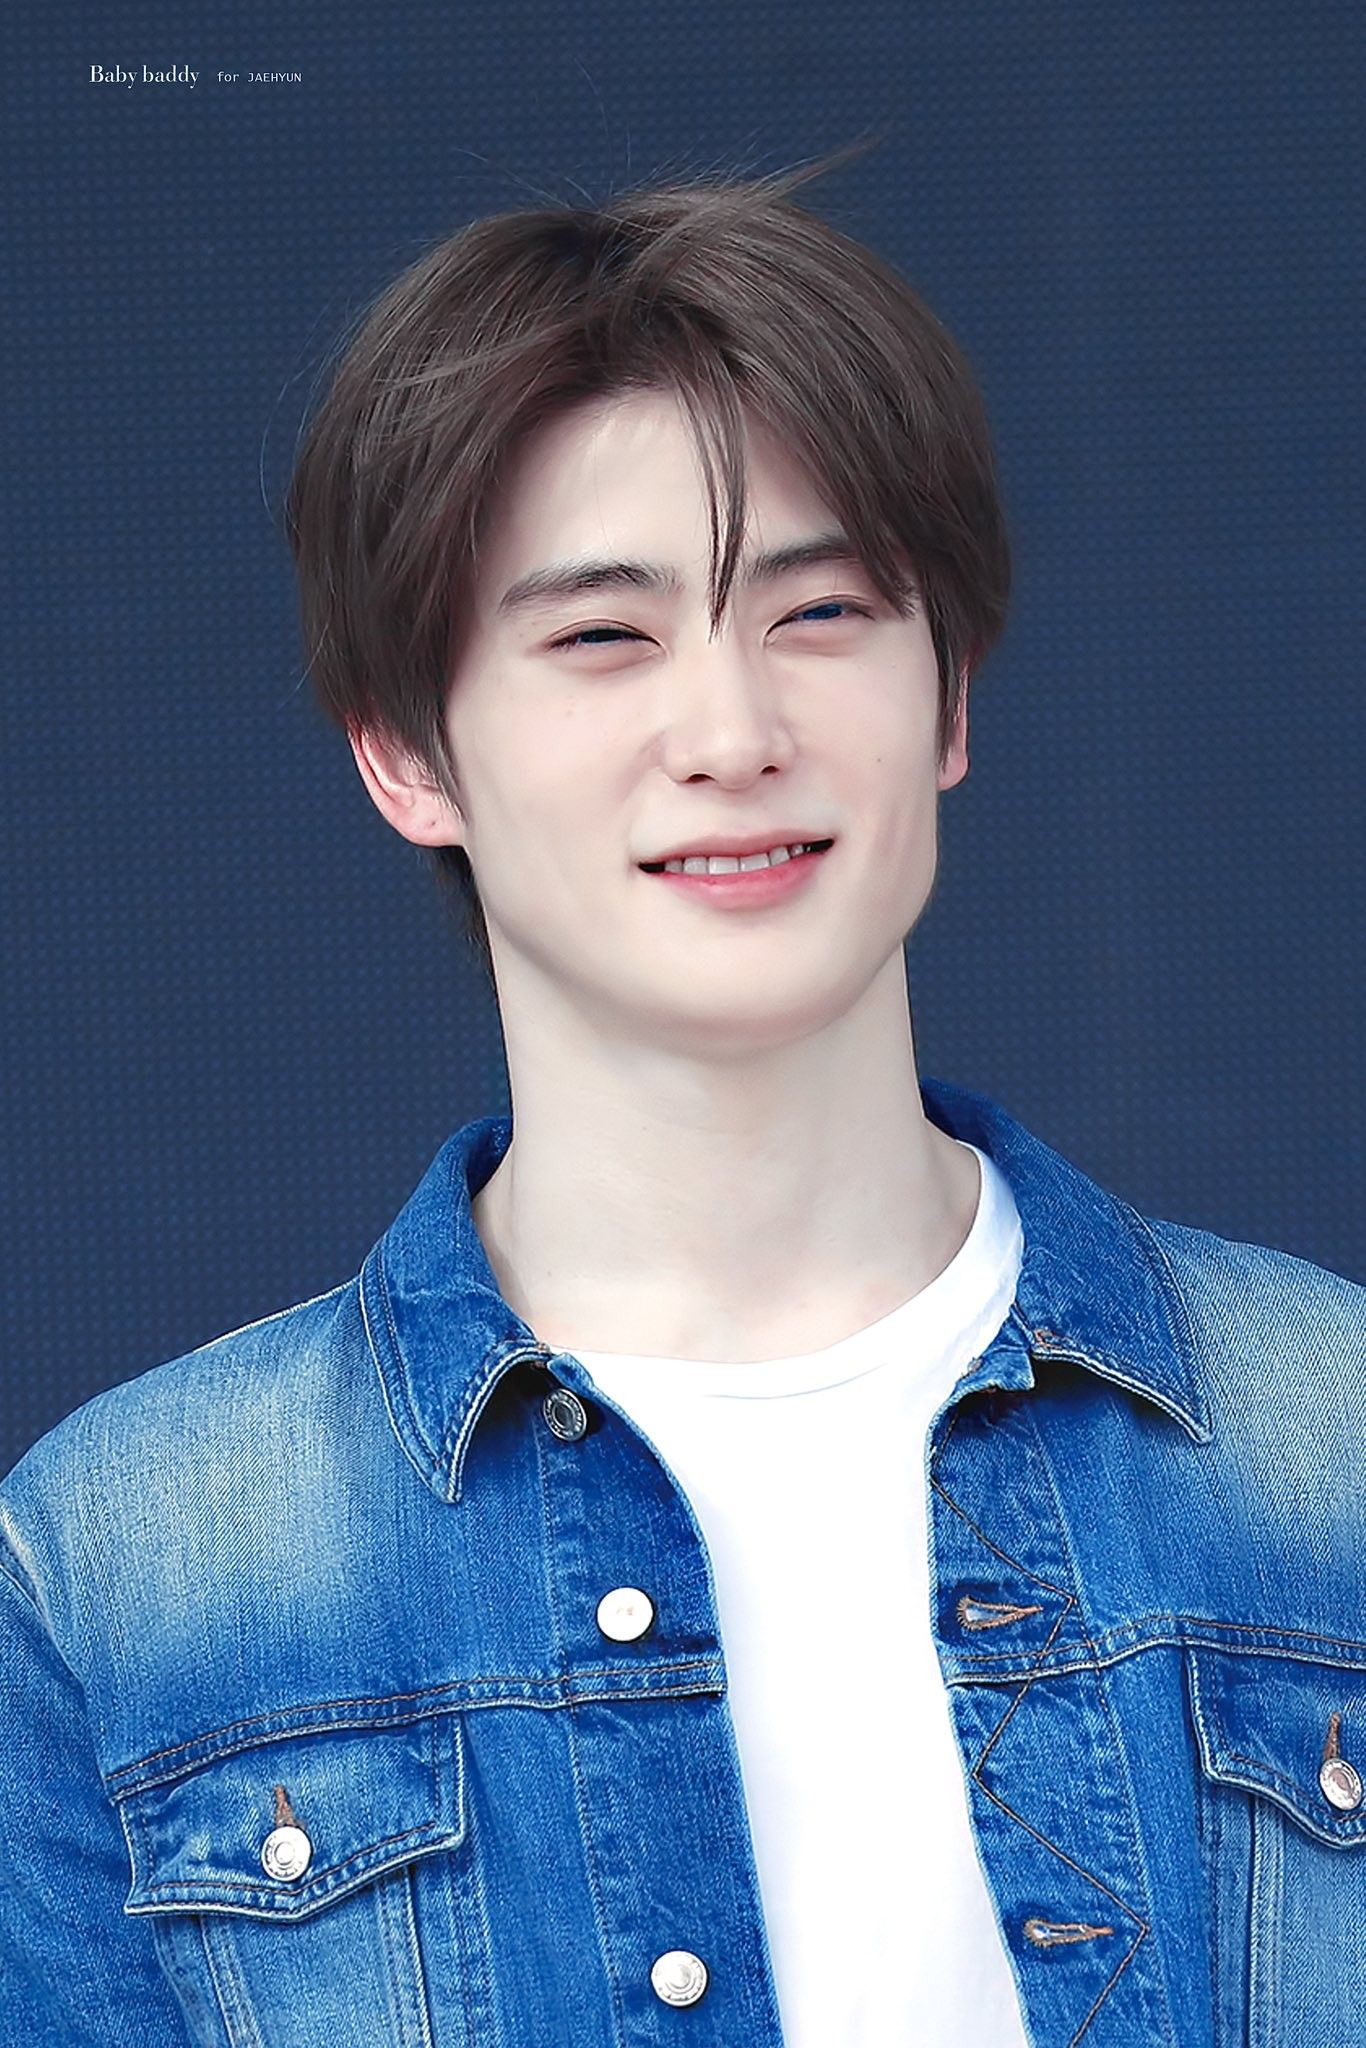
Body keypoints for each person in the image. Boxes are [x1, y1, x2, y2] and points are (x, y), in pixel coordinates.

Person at [1, 154, 1363, 2048]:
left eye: (821, 613)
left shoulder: (1331, 1451)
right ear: (403, 753)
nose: (731, 734)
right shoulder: (131, 1571)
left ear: (949, 699)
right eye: (600, 637)